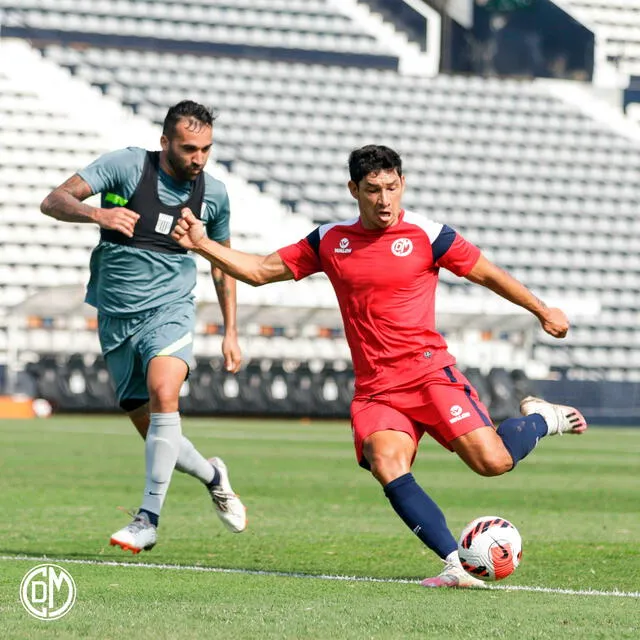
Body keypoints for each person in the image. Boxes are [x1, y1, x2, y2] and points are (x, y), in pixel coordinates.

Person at [170, 144, 588, 587]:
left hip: (430, 375)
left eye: (391, 187)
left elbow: (488, 273)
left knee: (492, 463)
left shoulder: (429, 235)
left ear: (402, 184)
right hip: (377, 390)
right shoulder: (329, 240)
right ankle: (454, 563)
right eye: (372, 190)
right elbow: (257, 270)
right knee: (387, 462)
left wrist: (542, 310)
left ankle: (542, 419)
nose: (384, 200)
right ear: (354, 189)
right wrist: (202, 244)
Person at [40, 100, 247, 553]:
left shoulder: (214, 195)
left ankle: (147, 521)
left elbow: (222, 263)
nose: (198, 159)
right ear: (165, 142)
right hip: (115, 316)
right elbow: (53, 200)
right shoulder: (127, 166)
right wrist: (98, 214)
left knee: (164, 392)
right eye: (189, 148)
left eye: (206, 149)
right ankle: (214, 475)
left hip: (170, 309)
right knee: (156, 429)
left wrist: (231, 331)